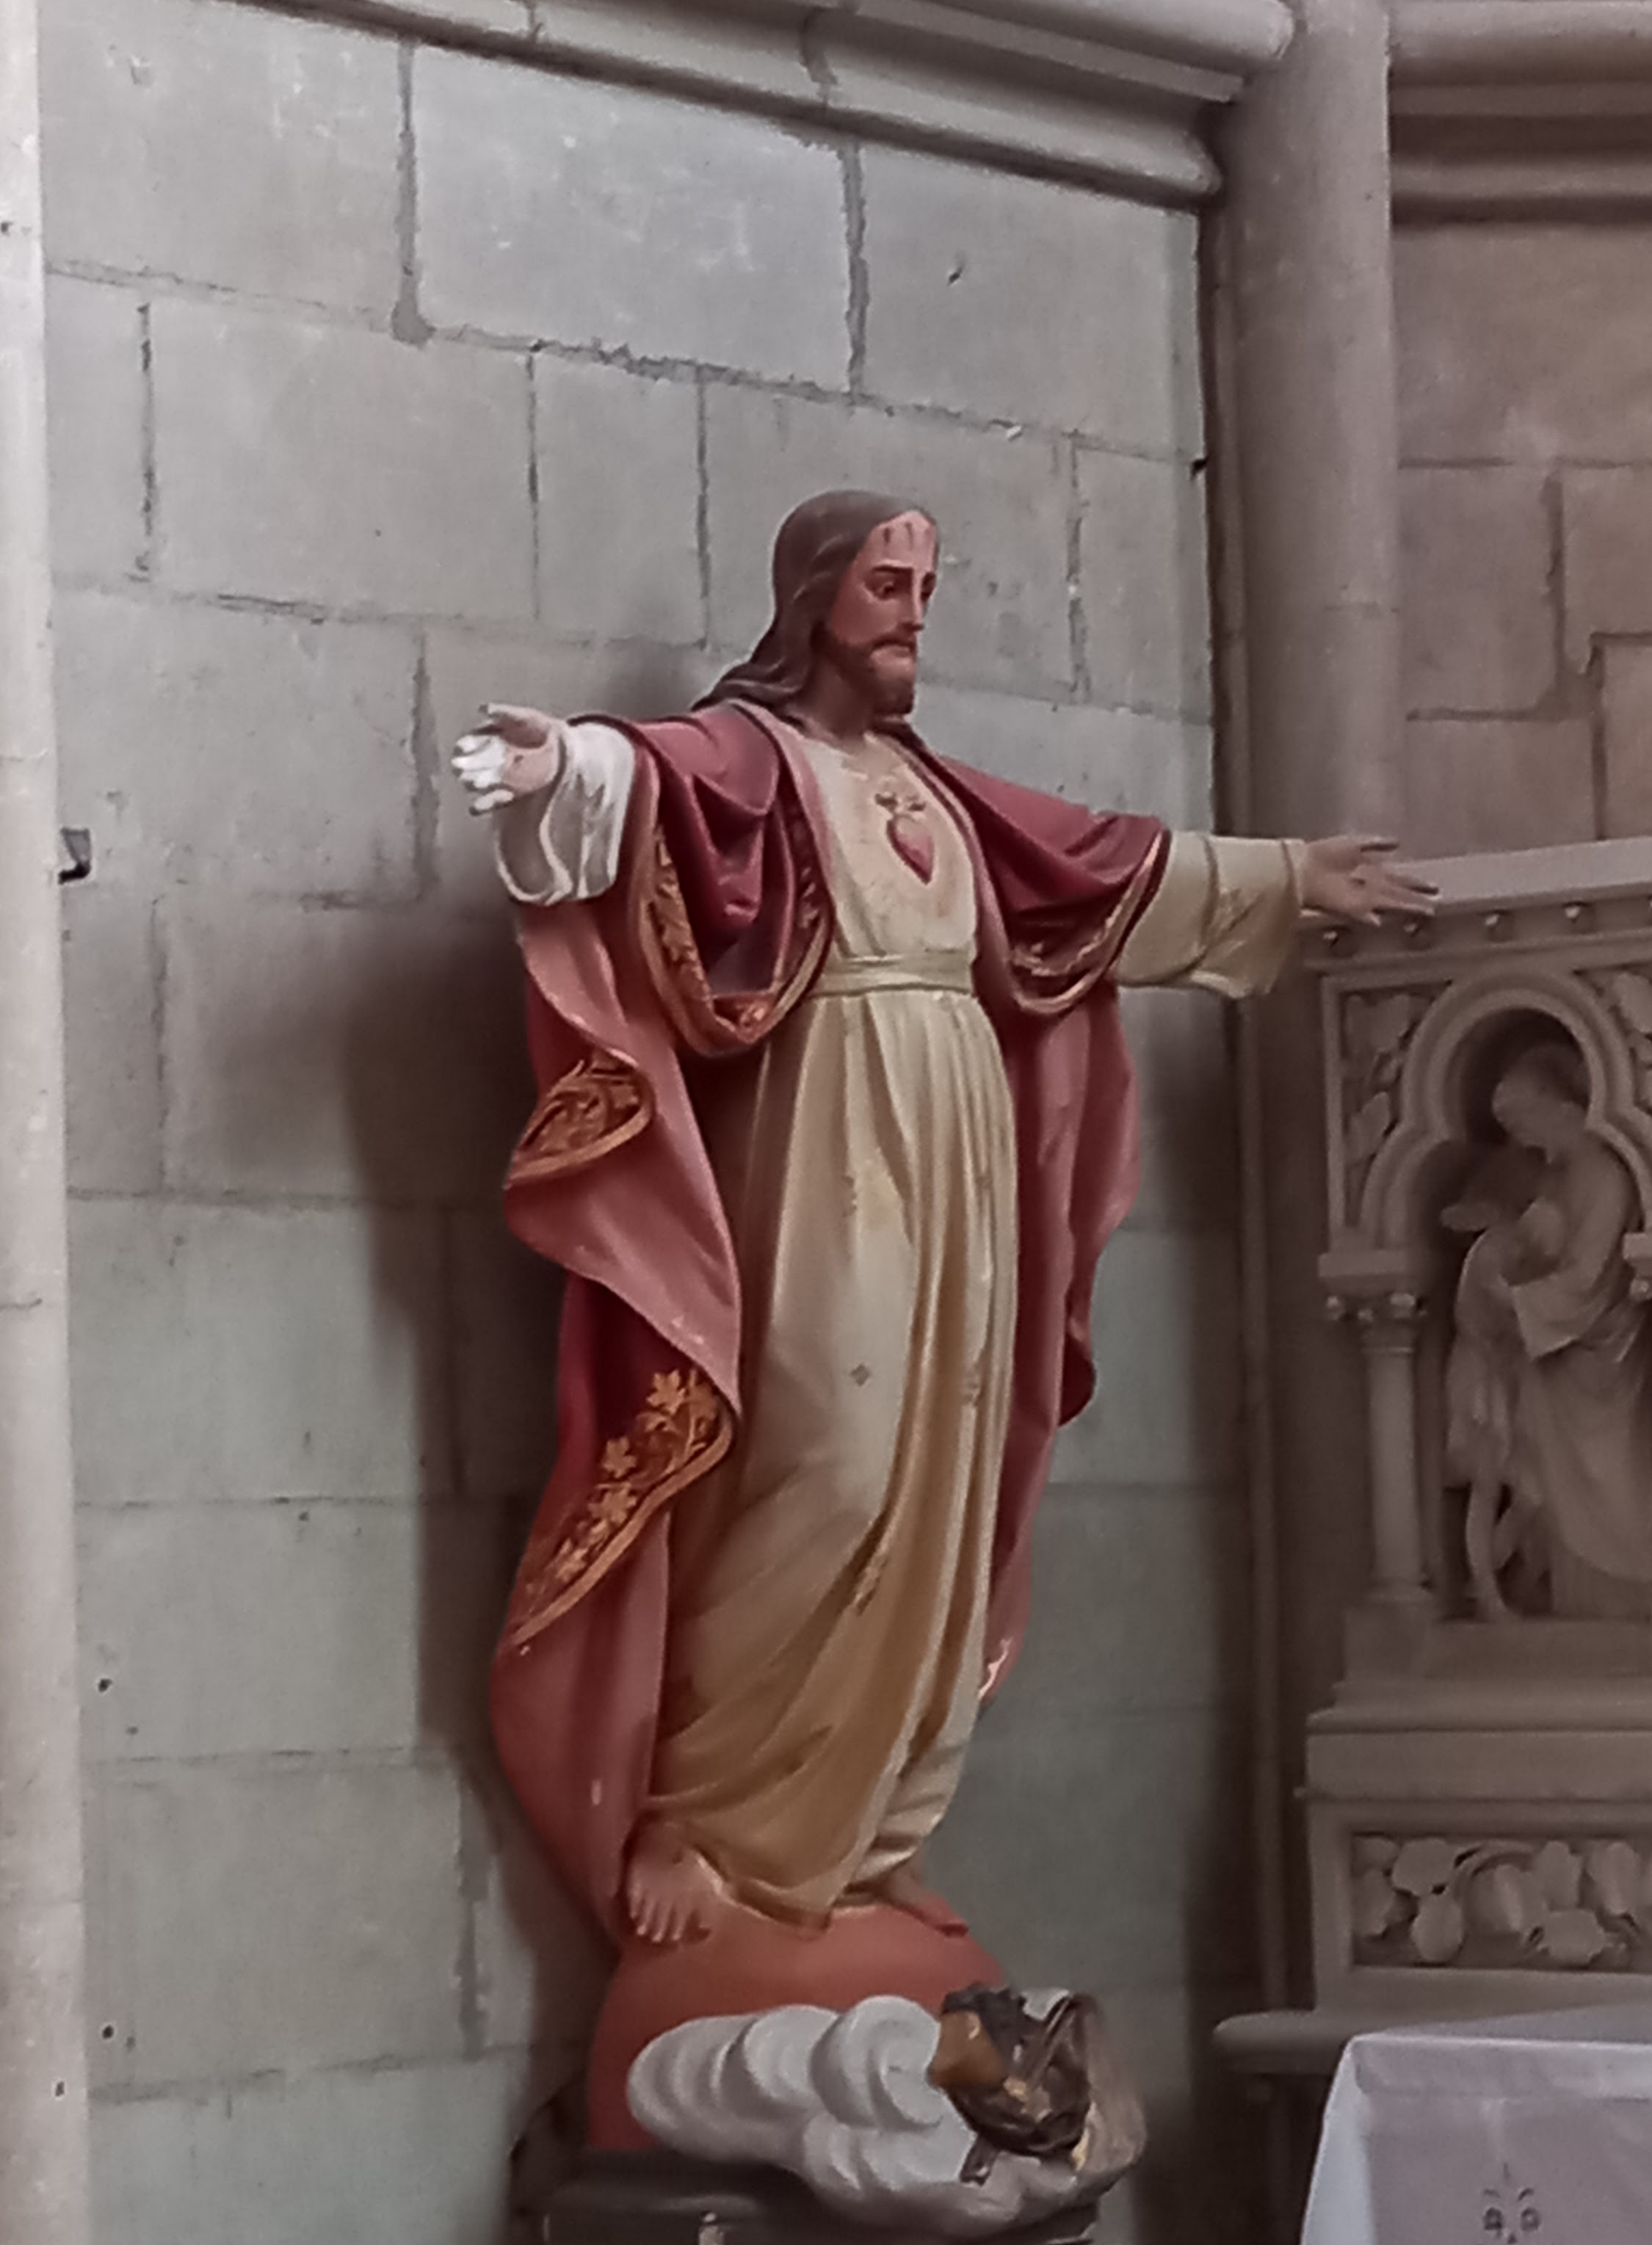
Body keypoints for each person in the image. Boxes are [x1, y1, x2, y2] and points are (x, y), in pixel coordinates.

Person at [453, 493, 1426, 2122]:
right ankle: (700, 1821)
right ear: (813, 599)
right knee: (824, 1459)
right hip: (826, 1140)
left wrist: (1285, 873)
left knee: (940, 1483)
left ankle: (863, 1839)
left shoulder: (935, 792)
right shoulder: (758, 758)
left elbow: (1100, 870)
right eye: (885, 584)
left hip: (959, 1158)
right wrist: (569, 771)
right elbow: (656, 783)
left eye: (924, 585)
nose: (912, 610)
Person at [1443, 1045, 1652, 1617]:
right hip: (1546, 1355)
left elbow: (1591, 1279)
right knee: (1533, 1482)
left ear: (1562, 1107)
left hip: (1594, 1353)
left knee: (1603, 1488)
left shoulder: (1605, 1175)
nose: (1524, 1140)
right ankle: (1524, 1591)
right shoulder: (1555, 1178)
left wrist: (1517, 1300)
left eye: (1526, 1123)